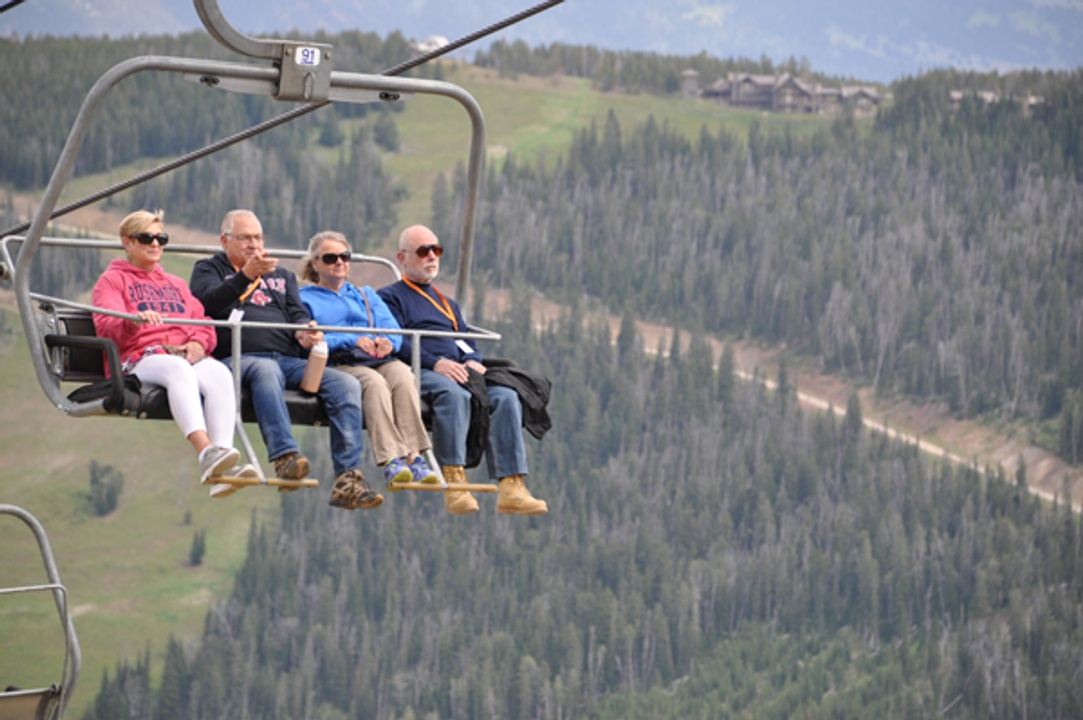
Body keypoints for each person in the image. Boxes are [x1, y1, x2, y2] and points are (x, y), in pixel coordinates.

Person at [189, 209, 380, 510]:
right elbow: (206, 304)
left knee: (345, 385)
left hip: (287, 359)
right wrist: (246, 276)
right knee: (266, 370)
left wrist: (306, 332)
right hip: (237, 358)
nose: (253, 244)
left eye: (258, 237)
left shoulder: (282, 275)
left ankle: (348, 479)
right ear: (225, 241)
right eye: (245, 238)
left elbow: (297, 313)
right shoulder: (208, 269)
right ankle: (285, 457)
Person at [379, 224, 548, 516]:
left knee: (506, 396)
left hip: (457, 368)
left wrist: (473, 358)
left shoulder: (448, 304)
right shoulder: (391, 297)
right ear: (402, 258)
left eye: (436, 250)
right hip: (418, 367)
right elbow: (395, 341)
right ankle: (454, 477)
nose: (431, 256)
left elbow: (465, 339)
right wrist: (435, 362)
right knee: (453, 395)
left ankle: (512, 483)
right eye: (423, 251)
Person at [92, 210, 252, 498]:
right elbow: (107, 327)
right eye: (146, 238)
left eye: (161, 238)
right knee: (177, 370)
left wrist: (197, 344)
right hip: (139, 357)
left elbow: (202, 322)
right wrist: (132, 321)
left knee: (218, 373)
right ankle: (206, 451)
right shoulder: (112, 281)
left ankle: (222, 465)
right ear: (127, 242)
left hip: (181, 354)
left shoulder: (175, 284)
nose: (155, 244)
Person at [298, 231, 441, 493]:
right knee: (374, 384)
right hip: (341, 362)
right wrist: (352, 339)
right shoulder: (305, 299)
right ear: (315, 263)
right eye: (330, 258)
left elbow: (392, 328)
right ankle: (391, 458)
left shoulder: (365, 295)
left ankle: (415, 455)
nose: (339, 262)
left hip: (376, 357)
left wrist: (388, 342)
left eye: (344, 256)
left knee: (402, 376)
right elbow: (312, 339)